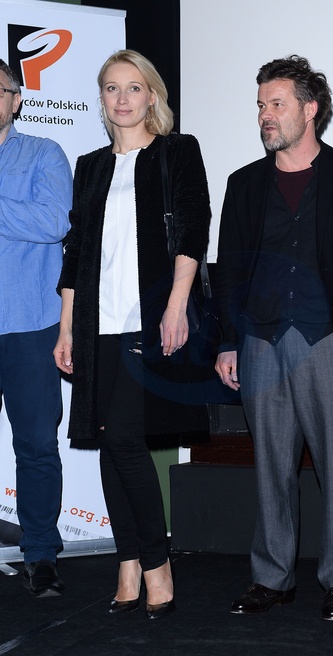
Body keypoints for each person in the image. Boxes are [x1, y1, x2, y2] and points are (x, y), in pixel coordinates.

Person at [214, 55, 333, 620]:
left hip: (328, 340)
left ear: (310, 109)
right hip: (261, 342)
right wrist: (227, 341)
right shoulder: (243, 183)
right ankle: (272, 578)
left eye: (277, 104)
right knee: (271, 466)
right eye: (260, 105)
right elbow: (229, 270)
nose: (265, 115)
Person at [53, 49, 211, 620]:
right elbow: (75, 253)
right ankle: (128, 562)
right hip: (97, 325)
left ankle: (156, 563)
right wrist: (67, 328)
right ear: (101, 98)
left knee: (122, 437)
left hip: (149, 318)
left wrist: (177, 306)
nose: (122, 98)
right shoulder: (91, 166)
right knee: (106, 440)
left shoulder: (175, 152)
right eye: (112, 88)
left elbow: (192, 229)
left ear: (152, 97)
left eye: (134, 87)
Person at [0, 60, 72, 595]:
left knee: (36, 445)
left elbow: (53, 223)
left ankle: (41, 552)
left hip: (31, 323)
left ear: (17, 97)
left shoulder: (45, 154)